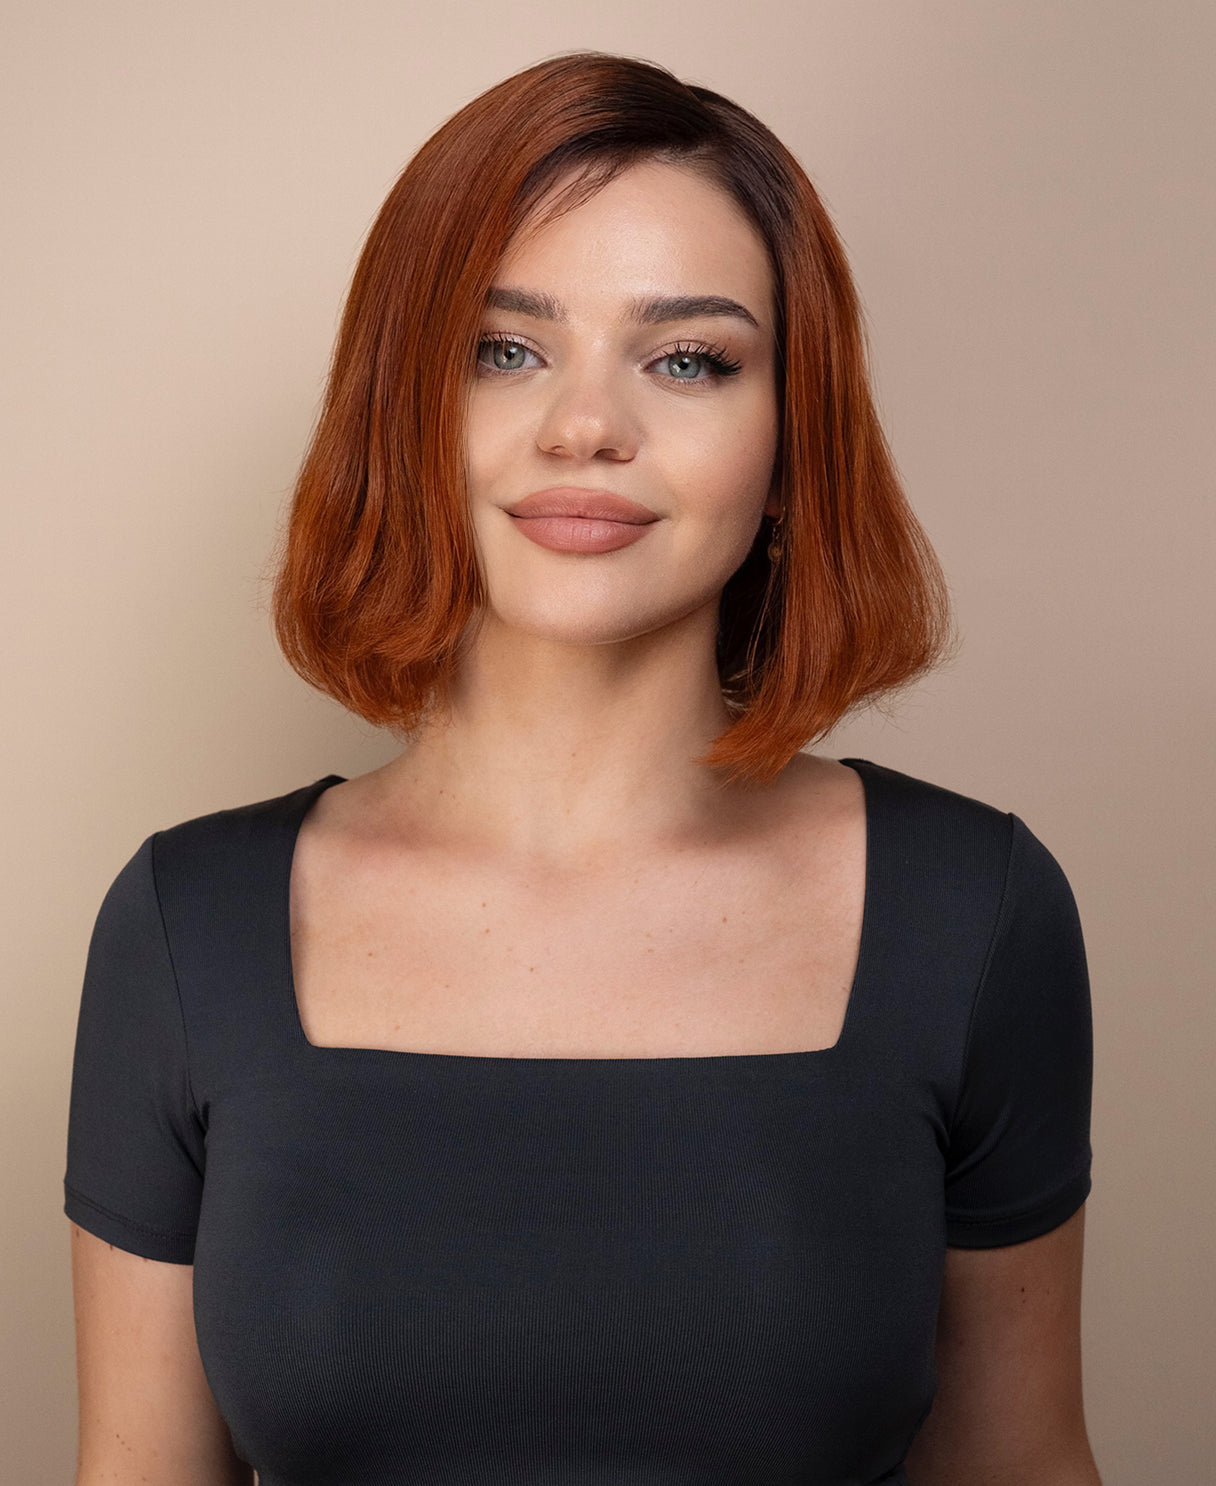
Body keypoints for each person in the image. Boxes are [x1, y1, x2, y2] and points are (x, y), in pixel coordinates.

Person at [64, 50, 1099, 1486]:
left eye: (689, 359)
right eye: (505, 349)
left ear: (791, 440)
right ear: (402, 408)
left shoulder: (970, 913)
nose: (586, 426)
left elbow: (1023, 1463)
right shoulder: (188, 927)